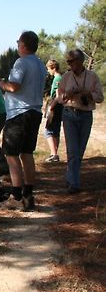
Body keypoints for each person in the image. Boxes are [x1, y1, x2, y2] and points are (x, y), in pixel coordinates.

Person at [0, 31, 47, 211]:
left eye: (18, 43)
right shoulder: (41, 65)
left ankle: (16, 196)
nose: (17, 45)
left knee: (11, 155)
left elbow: (13, 86)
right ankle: (28, 195)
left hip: (19, 114)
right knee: (27, 154)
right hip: (34, 112)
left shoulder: (21, 62)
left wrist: (1, 83)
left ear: (23, 45)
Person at [54, 49, 104, 194]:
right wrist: (67, 95)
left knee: (79, 151)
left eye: (71, 61)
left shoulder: (92, 76)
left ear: (80, 61)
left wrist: (89, 94)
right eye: (67, 62)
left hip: (86, 115)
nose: (69, 64)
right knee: (73, 150)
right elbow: (59, 98)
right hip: (69, 114)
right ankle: (74, 184)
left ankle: (71, 177)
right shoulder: (66, 77)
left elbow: (100, 97)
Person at [43, 59, 63, 162]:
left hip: (55, 107)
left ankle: (54, 154)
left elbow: (58, 95)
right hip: (59, 107)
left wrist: (51, 107)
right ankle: (54, 153)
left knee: (48, 131)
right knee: (55, 131)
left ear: (53, 68)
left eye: (48, 69)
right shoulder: (59, 78)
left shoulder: (57, 79)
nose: (48, 71)